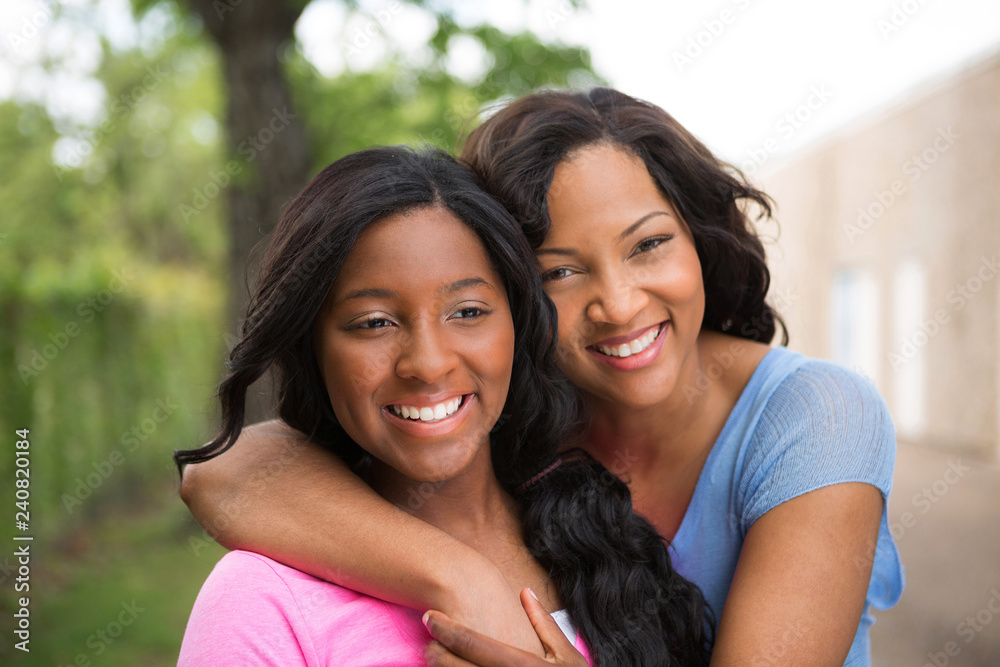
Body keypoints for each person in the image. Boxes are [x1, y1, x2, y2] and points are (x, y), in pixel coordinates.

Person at [180, 88, 904, 666]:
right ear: (524, 299)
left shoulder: (814, 416)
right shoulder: (526, 428)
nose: (619, 304)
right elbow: (228, 472)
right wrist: (462, 577)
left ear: (698, 239)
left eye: (648, 244)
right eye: (560, 269)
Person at [176, 146, 713, 666]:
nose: (428, 365)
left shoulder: (613, 542)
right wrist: (460, 576)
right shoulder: (261, 602)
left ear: (518, 326)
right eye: (374, 323)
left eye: (468, 311)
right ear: (313, 349)